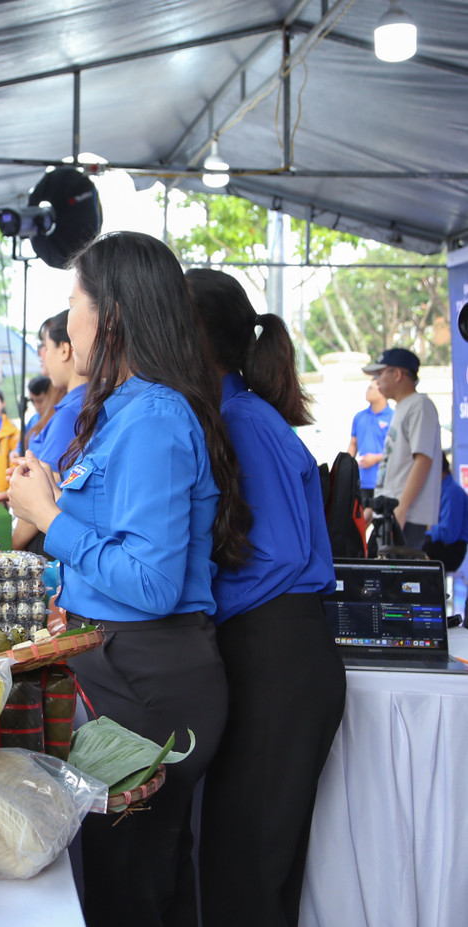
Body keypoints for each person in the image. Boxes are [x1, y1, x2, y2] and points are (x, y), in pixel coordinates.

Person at [7, 231, 250, 927]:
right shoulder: (123, 413)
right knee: (128, 881)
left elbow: (151, 583)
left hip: (149, 680)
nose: (67, 322)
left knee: (130, 889)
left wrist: (49, 516)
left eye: (74, 302)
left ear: (110, 314)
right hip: (119, 666)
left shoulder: (153, 419)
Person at [187, 268, 343, 927]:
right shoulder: (235, 411)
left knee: (247, 873)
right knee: (247, 867)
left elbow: (279, 552)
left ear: (196, 337)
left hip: (276, 652)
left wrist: (195, 601)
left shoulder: (242, 419)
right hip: (270, 650)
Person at [366, 347, 442, 548]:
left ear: (397, 374)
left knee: (399, 577)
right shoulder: (402, 408)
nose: (377, 381)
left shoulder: (420, 404)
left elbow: (423, 459)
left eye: (380, 373)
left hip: (405, 516)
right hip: (391, 513)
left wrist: (401, 509)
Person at [30, 311, 87, 474]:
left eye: (45, 347)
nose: (42, 356)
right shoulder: (80, 403)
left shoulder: (70, 414)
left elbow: (48, 486)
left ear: (64, 350)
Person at [348, 379, 394, 508]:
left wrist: (376, 458)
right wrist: (347, 466)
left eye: (371, 388)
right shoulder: (359, 417)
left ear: (382, 392)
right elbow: (353, 444)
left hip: (384, 482)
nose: (367, 391)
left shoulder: (393, 417)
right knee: (361, 520)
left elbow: (398, 451)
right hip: (362, 481)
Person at [424, 453, 468, 571]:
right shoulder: (439, 490)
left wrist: (427, 527)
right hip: (441, 545)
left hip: (450, 550)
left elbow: (449, 534)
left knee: (410, 548)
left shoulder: (452, 493)